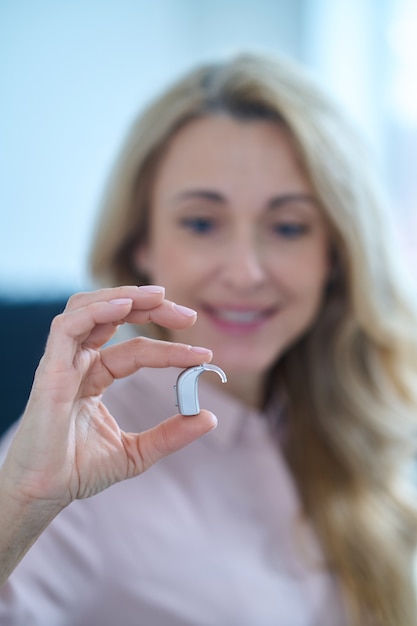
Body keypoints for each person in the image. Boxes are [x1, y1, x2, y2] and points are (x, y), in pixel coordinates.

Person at [0, 51, 416, 626]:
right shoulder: (68, 458)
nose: (246, 271)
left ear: (336, 255)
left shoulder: (354, 420)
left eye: (289, 226)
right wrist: (21, 500)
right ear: (140, 242)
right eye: (201, 222)